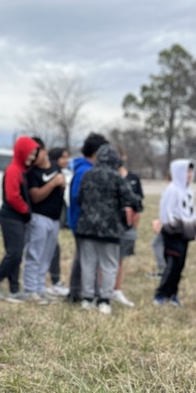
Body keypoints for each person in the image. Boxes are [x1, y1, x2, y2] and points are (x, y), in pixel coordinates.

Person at [75, 144, 137, 314]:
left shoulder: (87, 175)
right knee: (109, 264)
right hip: (110, 228)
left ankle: (87, 298)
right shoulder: (116, 177)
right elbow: (132, 199)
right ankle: (104, 299)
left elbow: (79, 198)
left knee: (88, 264)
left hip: (87, 226)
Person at [0, 135, 39, 302]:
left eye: (34, 154)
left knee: (17, 253)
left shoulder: (21, 170)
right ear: (22, 151)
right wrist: (26, 210)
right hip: (11, 217)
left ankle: (14, 289)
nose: (32, 157)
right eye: (30, 153)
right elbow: (12, 196)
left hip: (18, 218)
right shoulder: (13, 170)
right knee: (14, 253)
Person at [21, 139, 66, 304]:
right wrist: (53, 183)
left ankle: (40, 288)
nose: (34, 157)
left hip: (55, 219)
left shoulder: (55, 167)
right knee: (34, 254)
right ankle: (30, 289)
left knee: (47, 256)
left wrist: (62, 183)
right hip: (38, 217)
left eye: (36, 153)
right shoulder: (32, 172)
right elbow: (35, 196)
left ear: (44, 151)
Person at [66, 133, 108, 302]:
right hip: (81, 221)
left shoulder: (84, 168)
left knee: (84, 257)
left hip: (83, 220)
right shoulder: (85, 171)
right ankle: (77, 291)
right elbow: (77, 196)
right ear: (96, 153)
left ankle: (79, 290)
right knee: (84, 258)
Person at [153, 159, 196, 307]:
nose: (189, 175)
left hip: (185, 234)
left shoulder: (188, 191)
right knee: (171, 265)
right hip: (173, 234)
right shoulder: (172, 190)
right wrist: (174, 227)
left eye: (191, 171)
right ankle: (161, 294)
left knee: (180, 266)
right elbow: (166, 212)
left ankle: (172, 294)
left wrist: (191, 227)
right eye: (186, 171)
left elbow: (191, 211)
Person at [111, 152, 144, 307]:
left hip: (128, 226)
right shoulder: (109, 177)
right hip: (111, 224)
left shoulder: (133, 178)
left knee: (120, 259)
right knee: (107, 259)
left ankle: (116, 289)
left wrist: (134, 224)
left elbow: (139, 203)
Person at [46, 145, 70, 296]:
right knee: (52, 250)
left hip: (53, 218)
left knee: (54, 249)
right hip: (48, 218)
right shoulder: (54, 172)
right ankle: (54, 281)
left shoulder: (58, 172)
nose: (66, 160)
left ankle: (54, 281)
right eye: (63, 157)